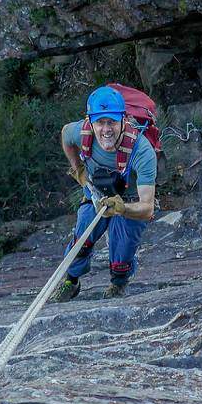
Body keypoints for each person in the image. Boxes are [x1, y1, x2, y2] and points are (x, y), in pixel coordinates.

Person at [52, 85, 159, 301]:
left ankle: (118, 284)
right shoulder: (81, 132)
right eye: (100, 122)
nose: (106, 129)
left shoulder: (142, 150)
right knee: (82, 237)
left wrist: (122, 209)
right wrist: (77, 168)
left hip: (131, 201)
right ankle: (70, 281)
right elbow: (65, 134)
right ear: (90, 122)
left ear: (123, 119)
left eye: (111, 122)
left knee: (122, 250)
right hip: (95, 193)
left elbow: (147, 209)